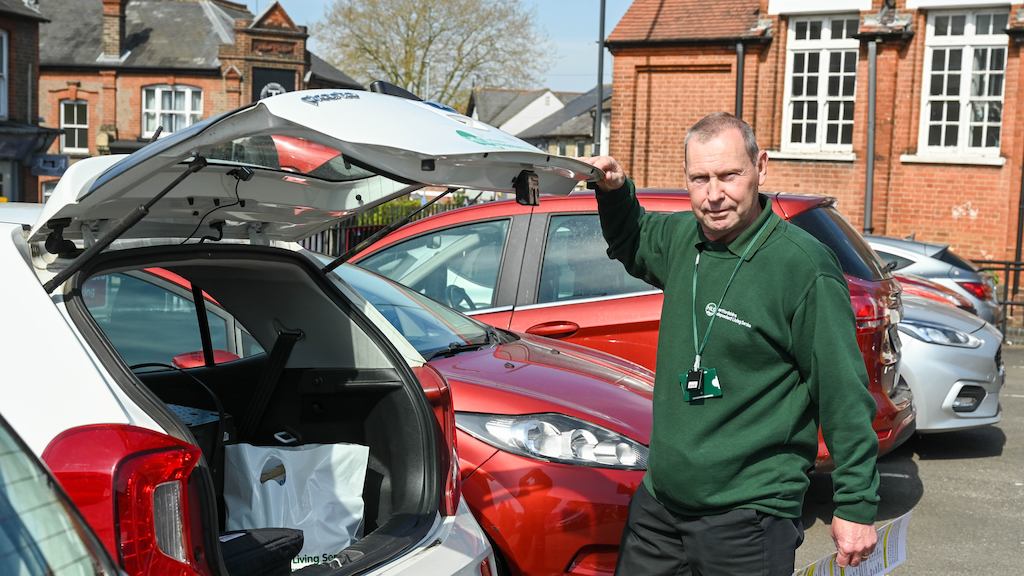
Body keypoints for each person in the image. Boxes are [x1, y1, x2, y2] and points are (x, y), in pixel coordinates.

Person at [582, 112, 879, 576]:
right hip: (662, 505)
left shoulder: (802, 267)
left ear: (761, 167)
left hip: (749, 516)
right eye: (699, 179)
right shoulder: (681, 237)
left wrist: (856, 504)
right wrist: (615, 191)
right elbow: (631, 239)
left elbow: (842, 392)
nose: (714, 194)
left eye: (728, 175)